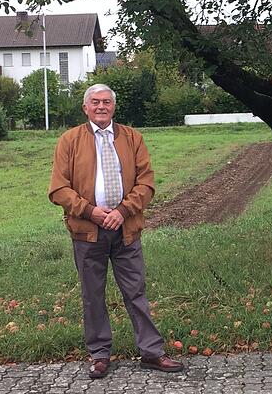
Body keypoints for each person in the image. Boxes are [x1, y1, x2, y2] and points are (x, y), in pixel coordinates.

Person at [48, 83, 183, 379]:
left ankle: (152, 351)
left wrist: (122, 212)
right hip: (87, 232)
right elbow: (58, 189)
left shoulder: (132, 138)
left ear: (114, 107)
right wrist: (91, 211)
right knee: (92, 295)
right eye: (95, 102)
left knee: (136, 291)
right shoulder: (69, 140)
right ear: (85, 107)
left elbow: (146, 183)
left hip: (126, 230)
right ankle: (99, 355)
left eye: (106, 102)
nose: (101, 107)